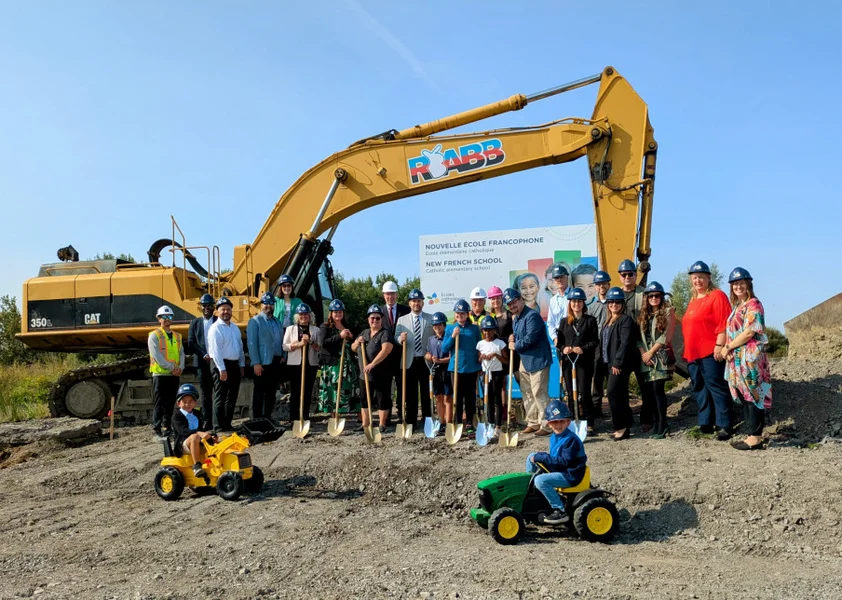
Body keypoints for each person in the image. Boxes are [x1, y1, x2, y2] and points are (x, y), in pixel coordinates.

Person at [720, 268, 772, 451]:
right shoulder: (737, 307)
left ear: (749, 284)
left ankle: (756, 438)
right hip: (737, 358)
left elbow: (750, 331)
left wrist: (728, 347)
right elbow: (732, 332)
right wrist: (728, 349)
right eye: (734, 284)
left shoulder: (753, 305)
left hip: (750, 359)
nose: (738, 287)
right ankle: (751, 435)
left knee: (755, 394)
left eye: (741, 283)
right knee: (744, 395)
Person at [682, 260, 733, 440]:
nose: (698, 281)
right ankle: (706, 420)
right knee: (699, 387)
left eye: (701, 277)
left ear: (708, 278)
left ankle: (724, 423)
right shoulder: (693, 300)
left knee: (716, 386)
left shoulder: (717, 296)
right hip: (693, 353)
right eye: (695, 278)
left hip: (710, 351)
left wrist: (719, 345)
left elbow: (724, 323)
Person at [525, 401, 587, 525]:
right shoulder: (554, 436)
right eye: (554, 422)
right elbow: (555, 458)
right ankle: (531, 491)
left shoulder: (571, 440)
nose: (558, 425)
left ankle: (560, 510)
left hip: (571, 474)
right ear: (549, 423)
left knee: (541, 480)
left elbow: (564, 462)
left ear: (568, 422)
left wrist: (543, 458)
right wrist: (540, 458)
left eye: (561, 421)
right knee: (531, 456)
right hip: (561, 469)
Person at [505, 287, 553, 436]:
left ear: (520, 300)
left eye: (514, 302)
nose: (512, 306)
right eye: (509, 304)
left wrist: (515, 345)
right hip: (525, 361)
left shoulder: (532, 316)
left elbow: (531, 338)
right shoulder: (516, 318)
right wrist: (512, 338)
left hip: (538, 360)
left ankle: (546, 425)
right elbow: (520, 337)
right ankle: (533, 422)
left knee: (539, 393)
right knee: (527, 392)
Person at [617, 259, 655, 432]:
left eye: (630, 274)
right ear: (619, 276)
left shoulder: (644, 293)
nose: (627, 277)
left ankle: (646, 418)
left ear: (635, 275)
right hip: (622, 349)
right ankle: (626, 419)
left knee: (645, 386)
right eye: (623, 274)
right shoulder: (615, 295)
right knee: (621, 387)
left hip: (641, 347)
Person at [636, 282, 676, 439]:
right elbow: (638, 338)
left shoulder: (667, 312)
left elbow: (666, 336)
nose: (654, 298)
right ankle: (658, 422)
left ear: (662, 296)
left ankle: (662, 424)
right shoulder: (643, 315)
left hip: (659, 358)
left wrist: (651, 353)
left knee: (658, 391)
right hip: (646, 360)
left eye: (657, 295)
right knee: (650, 392)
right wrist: (643, 354)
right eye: (651, 295)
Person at [556, 288, 598, 433]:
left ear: (583, 303)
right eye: (574, 301)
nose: (576, 304)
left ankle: (589, 421)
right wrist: (563, 349)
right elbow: (559, 342)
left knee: (584, 392)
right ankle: (573, 420)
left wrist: (583, 348)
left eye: (579, 301)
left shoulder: (590, 321)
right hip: (569, 362)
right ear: (570, 303)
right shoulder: (564, 322)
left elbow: (594, 341)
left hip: (584, 362)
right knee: (571, 392)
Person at [394, 289, 434, 429]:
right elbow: (396, 337)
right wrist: (400, 339)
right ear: (409, 303)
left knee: (426, 392)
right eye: (413, 301)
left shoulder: (430, 318)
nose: (416, 303)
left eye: (419, 301)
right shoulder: (402, 320)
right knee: (410, 393)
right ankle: (410, 421)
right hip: (409, 360)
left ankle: (427, 419)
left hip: (425, 361)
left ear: (422, 302)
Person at [441, 299, 482, 433]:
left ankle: (470, 423)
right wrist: (453, 336)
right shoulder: (450, 328)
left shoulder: (474, 328)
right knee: (457, 397)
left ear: (467, 314)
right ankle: (458, 422)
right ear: (455, 314)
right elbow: (444, 349)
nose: (460, 316)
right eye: (458, 313)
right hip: (456, 369)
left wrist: (481, 363)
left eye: (463, 313)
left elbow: (479, 347)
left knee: (470, 397)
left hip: (471, 368)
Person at [601, 287, 636, 440]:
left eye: (617, 302)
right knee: (620, 394)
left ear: (622, 303)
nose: (614, 304)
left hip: (618, 364)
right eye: (611, 302)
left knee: (612, 393)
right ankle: (625, 425)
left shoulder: (625, 320)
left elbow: (625, 343)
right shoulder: (608, 321)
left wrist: (617, 363)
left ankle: (620, 427)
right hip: (608, 363)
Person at [352, 305, 394, 431]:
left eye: (377, 318)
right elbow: (353, 348)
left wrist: (373, 364)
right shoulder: (364, 333)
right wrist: (357, 342)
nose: (374, 320)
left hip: (381, 374)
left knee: (382, 399)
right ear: (368, 319)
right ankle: (366, 424)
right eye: (372, 318)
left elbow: (386, 350)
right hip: (364, 375)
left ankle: (382, 424)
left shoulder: (385, 333)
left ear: (381, 320)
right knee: (364, 400)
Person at [207, 297, 245, 433]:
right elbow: (215, 351)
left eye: (228, 309)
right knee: (220, 396)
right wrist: (221, 369)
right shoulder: (215, 329)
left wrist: (241, 364)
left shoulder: (234, 328)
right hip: (220, 364)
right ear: (217, 311)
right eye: (223, 309)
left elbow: (239, 347)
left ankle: (227, 424)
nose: (226, 312)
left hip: (234, 365)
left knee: (232, 396)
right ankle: (218, 426)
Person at [317, 299, 360, 416]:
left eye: (340, 312)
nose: (338, 314)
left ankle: (346, 411)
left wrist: (351, 338)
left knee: (346, 388)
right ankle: (334, 415)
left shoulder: (347, 326)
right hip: (333, 364)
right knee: (334, 390)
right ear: (331, 313)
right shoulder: (325, 326)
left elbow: (353, 345)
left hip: (347, 363)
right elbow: (323, 343)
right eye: (335, 312)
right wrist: (339, 336)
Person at [148, 305, 185, 437]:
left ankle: (167, 426)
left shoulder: (178, 336)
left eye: (169, 316)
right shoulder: (154, 336)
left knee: (170, 402)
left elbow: (181, 353)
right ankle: (157, 427)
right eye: (164, 317)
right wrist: (172, 368)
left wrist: (181, 367)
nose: (167, 319)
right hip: (160, 374)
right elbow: (157, 356)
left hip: (173, 375)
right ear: (159, 318)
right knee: (159, 402)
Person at [283, 303, 322, 425]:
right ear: (297, 316)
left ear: (310, 316)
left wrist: (310, 342)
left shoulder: (316, 330)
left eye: (306, 315)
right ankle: (294, 417)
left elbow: (319, 348)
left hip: (310, 364)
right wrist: (297, 345)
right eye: (301, 315)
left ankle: (305, 416)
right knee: (295, 391)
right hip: (294, 364)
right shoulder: (290, 329)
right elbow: (285, 346)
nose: (304, 317)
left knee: (307, 390)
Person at [247, 293, 284, 420]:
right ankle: (257, 418)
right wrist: (256, 362)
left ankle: (267, 416)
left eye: (271, 304)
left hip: (275, 361)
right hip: (262, 362)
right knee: (259, 392)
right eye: (266, 303)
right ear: (261, 304)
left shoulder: (277, 322)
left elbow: (281, 340)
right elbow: (252, 344)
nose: (268, 306)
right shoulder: (255, 321)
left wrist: (282, 355)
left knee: (271, 392)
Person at [380, 281, 410, 424]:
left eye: (392, 294)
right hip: (385, 357)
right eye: (387, 294)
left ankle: (401, 412)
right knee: (385, 387)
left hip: (401, 355)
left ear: (396, 295)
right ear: (383, 295)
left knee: (401, 385)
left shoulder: (405, 310)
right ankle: (385, 415)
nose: (390, 297)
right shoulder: (378, 312)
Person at [170, 383, 215, 478]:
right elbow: (183, 431)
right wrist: (198, 433)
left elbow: (202, 430)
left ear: (195, 403)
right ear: (179, 403)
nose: (187, 404)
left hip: (198, 441)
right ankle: (196, 466)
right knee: (194, 437)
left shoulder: (197, 414)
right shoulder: (177, 416)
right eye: (184, 401)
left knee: (218, 438)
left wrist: (210, 436)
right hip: (183, 443)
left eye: (190, 401)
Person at [186, 293, 217, 430]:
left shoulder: (218, 321)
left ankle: (217, 420)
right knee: (205, 393)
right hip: (201, 362)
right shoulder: (195, 323)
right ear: (201, 307)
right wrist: (203, 354)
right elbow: (191, 343)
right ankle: (207, 420)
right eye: (204, 305)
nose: (207, 308)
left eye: (210, 305)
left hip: (217, 362)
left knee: (218, 392)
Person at [476, 315, 507, 436]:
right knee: (487, 399)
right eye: (485, 330)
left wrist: (495, 355)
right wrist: (482, 357)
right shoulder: (480, 344)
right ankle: (490, 423)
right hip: (485, 374)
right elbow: (478, 359)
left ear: (494, 330)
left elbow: (506, 360)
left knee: (497, 399)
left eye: (489, 330)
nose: (487, 333)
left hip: (497, 373)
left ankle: (498, 425)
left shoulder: (500, 343)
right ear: (482, 331)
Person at [588, 270, 611, 416]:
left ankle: (616, 409)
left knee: (613, 379)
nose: (601, 286)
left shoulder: (615, 303)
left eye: (604, 283)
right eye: (598, 284)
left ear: (608, 284)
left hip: (612, 347)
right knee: (596, 379)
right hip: (596, 348)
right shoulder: (591, 307)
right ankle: (596, 410)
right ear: (595, 287)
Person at [425, 311, 452, 432]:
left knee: (447, 398)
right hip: (435, 371)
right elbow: (427, 353)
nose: (437, 327)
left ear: (444, 325)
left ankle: (449, 422)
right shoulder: (431, 339)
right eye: (435, 325)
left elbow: (452, 357)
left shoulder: (448, 338)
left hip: (447, 370)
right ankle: (441, 422)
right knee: (438, 398)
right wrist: (429, 356)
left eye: (439, 325)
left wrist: (440, 360)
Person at [274, 274, 301, 389]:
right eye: (284, 286)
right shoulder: (275, 301)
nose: (286, 288)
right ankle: (279, 381)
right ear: (280, 287)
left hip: (292, 332)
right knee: (279, 355)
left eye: (289, 285)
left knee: (291, 354)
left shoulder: (298, 301)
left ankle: (289, 380)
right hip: (279, 331)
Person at [546, 264, 570, 349]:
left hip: (574, 334)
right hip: (559, 336)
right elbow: (550, 322)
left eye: (561, 277)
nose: (559, 280)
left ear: (567, 277)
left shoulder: (574, 296)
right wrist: (555, 338)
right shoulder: (552, 300)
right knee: (562, 362)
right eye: (556, 278)